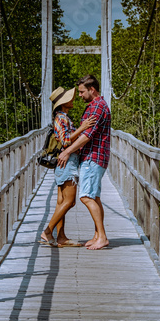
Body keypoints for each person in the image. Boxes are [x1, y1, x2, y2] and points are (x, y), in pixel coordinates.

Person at [57, 75, 111, 250]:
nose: (79, 95)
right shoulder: (97, 106)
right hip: (94, 157)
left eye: (81, 91)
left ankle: (102, 236)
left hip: (93, 157)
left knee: (86, 196)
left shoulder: (97, 107)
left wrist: (66, 151)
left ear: (92, 90)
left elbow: (87, 135)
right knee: (94, 196)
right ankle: (97, 235)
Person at [40, 86, 96, 247]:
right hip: (68, 162)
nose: (73, 99)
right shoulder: (61, 118)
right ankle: (48, 231)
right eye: (70, 98)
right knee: (70, 202)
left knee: (61, 201)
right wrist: (83, 127)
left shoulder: (62, 117)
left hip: (64, 162)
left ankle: (61, 237)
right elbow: (65, 141)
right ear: (64, 103)